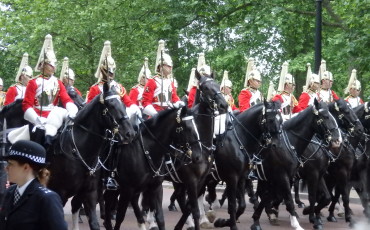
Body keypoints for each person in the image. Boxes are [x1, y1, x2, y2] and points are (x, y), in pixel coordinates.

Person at [21, 34, 78, 147]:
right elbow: (26, 105)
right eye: (51, 64)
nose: (54, 67)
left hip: (55, 116)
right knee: (39, 133)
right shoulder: (33, 82)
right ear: (43, 65)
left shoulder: (58, 82)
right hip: (38, 117)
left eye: (54, 64)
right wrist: (37, 119)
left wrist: (71, 110)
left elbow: (66, 99)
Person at [0, 140, 67, 230]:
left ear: (26, 167)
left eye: (11, 164)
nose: (6, 168)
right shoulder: (10, 192)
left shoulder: (47, 199)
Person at [86, 41, 140, 118]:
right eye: (108, 71)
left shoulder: (119, 87)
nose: (111, 73)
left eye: (112, 71)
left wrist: (133, 107)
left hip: (119, 117)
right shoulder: (95, 88)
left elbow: (127, 101)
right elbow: (90, 107)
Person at [141, 40, 184, 116]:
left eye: (171, 66)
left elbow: (174, 98)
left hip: (170, 112)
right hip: (156, 113)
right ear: (161, 66)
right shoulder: (152, 81)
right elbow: (145, 102)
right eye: (168, 66)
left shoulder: (170, 82)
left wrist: (179, 103)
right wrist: (155, 115)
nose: (170, 68)